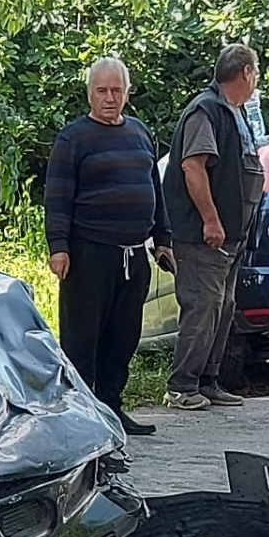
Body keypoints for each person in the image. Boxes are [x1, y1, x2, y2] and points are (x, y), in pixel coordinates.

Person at [44, 57, 173, 437]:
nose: (109, 97)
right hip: (89, 254)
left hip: (134, 254)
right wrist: (59, 247)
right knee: (83, 340)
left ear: (127, 93)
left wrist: (162, 240)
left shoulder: (139, 133)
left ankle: (113, 408)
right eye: (102, 90)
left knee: (123, 338)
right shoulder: (73, 138)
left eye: (116, 90)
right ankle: (81, 414)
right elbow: (58, 196)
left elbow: (155, 191)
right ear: (90, 93)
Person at [160, 44, 263, 409]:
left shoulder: (236, 112)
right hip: (205, 235)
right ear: (247, 73)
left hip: (234, 234)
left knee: (223, 305)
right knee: (203, 305)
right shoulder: (206, 110)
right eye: (256, 74)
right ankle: (182, 386)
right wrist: (211, 219)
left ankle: (208, 380)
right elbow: (193, 166)